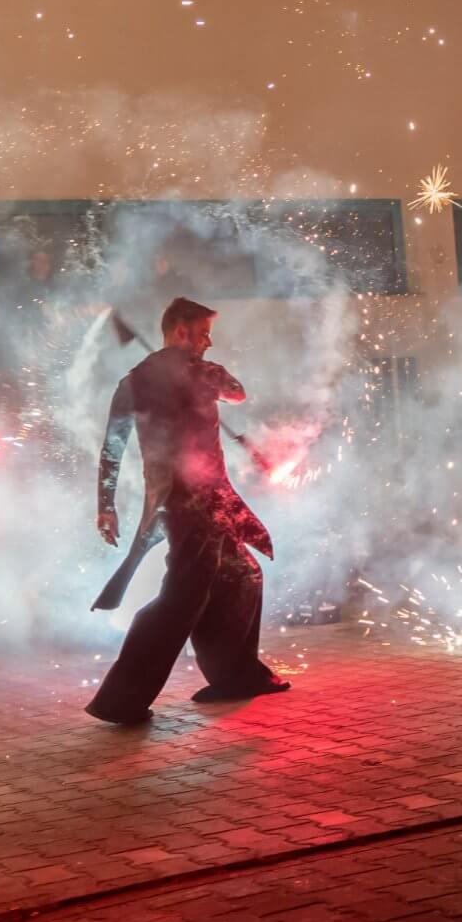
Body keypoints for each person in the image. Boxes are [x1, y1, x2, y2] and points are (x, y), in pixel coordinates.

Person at [87, 297, 291, 724]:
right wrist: (209, 371)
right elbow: (237, 392)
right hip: (190, 506)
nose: (208, 342)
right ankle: (120, 701)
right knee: (180, 600)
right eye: (203, 334)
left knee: (243, 576)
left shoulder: (135, 381)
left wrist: (106, 506)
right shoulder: (192, 374)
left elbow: (112, 448)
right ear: (180, 332)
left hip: (206, 503)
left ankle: (235, 675)